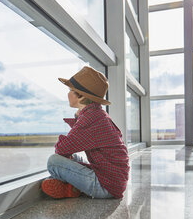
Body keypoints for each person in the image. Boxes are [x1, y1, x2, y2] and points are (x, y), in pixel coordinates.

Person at [41, 66, 130, 199]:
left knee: (53, 162)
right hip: (114, 182)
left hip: (106, 188)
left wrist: (78, 119)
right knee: (74, 158)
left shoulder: (91, 117)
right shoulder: (97, 114)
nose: (68, 93)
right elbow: (72, 146)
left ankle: (71, 186)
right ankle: (71, 187)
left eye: (71, 90)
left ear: (81, 96)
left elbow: (61, 149)